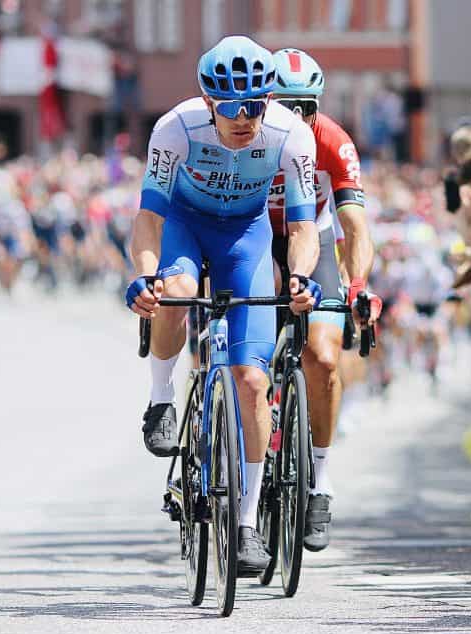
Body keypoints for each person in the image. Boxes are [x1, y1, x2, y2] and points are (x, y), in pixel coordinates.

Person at [125, 36, 321, 576]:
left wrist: (301, 275)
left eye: (255, 105)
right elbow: (150, 219)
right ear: (209, 102)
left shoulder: (291, 133)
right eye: (231, 106)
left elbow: (303, 226)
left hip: (247, 238)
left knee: (253, 382)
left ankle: (248, 521)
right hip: (187, 227)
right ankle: (161, 399)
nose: (243, 118)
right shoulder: (174, 127)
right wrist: (145, 275)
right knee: (179, 293)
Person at [267, 47, 381, 552]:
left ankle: (319, 477)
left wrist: (357, 287)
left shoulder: (332, 140)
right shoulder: (247, 135)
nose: (296, 118)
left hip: (313, 235)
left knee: (324, 357)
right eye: (285, 106)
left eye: (306, 107)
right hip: (256, 237)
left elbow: (355, 227)